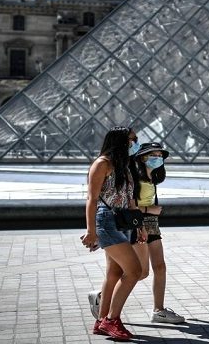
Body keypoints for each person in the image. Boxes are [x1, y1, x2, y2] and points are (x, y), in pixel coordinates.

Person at [81, 126, 144, 341]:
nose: (135, 143)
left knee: (114, 274)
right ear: (119, 141)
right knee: (134, 271)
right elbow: (91, 199)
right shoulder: (102, 164)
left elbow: (131, 199)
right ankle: (112, 320)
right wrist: (91, 231)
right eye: (131, 140)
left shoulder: (125, 165)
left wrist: (139, 225)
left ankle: (100, 321)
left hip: (124, 221)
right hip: (107, 221)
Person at [130, 142, 185, 324]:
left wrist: (150, 213)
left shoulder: (152, 176)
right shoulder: (134, 177)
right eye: (153, 155)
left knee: (160, 267)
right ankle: (103, 295)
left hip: (151, 223)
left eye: (160, 155)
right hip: (138, 224)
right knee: (142, 271)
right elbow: (128, 206)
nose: (158, 158)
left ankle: (159, 310)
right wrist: (149, 210)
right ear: (142, 157)